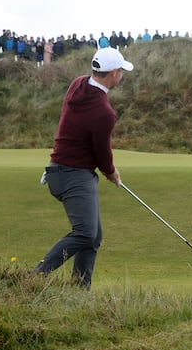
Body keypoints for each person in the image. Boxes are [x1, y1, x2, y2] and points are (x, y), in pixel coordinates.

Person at [33, 47, 135, 289]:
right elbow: (101, 153)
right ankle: (34, 277)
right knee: (85, 233)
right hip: (73, 174)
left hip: (59, 170)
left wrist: (107, 168)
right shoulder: (104, 112)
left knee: (93, 236)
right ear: (113, 74)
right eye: (121, 71)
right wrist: (111, 172)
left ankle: (80, 291)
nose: (121, 75)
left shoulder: (78, 84)